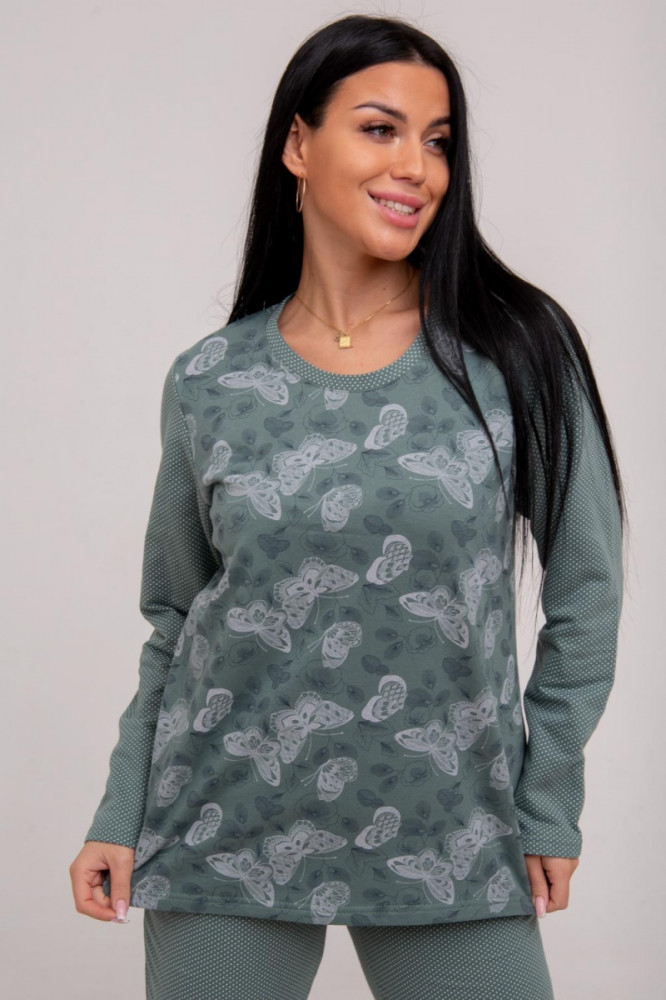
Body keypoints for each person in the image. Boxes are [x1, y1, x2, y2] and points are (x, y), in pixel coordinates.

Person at [69, 13, 625, 1000]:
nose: (417, 166)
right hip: (221, 824)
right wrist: (120, 809)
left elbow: (588, 593)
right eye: (380, 128)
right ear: (298, 143)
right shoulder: (211, 380)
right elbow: (177, 621)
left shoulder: (517, 352)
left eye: (439, 141)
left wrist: (546, 800)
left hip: (452, 830)